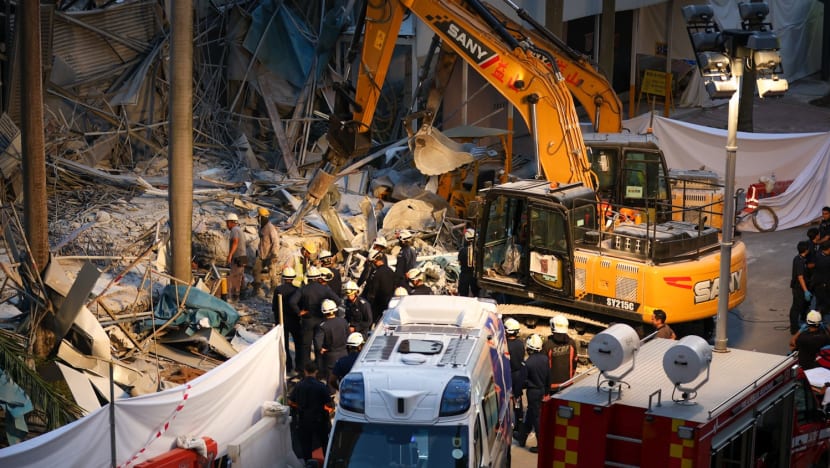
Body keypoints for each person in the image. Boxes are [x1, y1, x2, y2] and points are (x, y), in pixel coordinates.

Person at [294, 266, 340, 368]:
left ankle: (304, 370)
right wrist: (328, 311)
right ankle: (320, 369)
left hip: (307, 320)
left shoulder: (303, 289)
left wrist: (299, 312)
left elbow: (292, 302)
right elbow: (338, 301)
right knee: (319, 345)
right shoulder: (325, 289)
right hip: (321, 320)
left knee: (305, 346)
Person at [289, 362, 333, 462]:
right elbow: (328, 403)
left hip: (304, 419)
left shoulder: (299, 385)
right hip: (319, 419)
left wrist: (299, 406)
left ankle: (308, 463)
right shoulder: (321, 386)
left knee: (306, 444)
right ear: (316, 371)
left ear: (305, 371)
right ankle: (326, 462)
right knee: (324, 442)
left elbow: (291, 401)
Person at [514, 334, 549, 453]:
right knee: (530, 414)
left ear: (529, 349)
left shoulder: (528, 363)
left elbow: (521, 380)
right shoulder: (545, 359)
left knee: (536, 418)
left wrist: (516, 393)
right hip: (542, 390)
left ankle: (541, 445)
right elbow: (549, 376)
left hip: (532, 393)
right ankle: (522, 437)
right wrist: (547, 391)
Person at [273, 267, 302, 374]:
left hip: (282, 320)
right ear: (293, 278)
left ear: (283, 278)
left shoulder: (278, 290)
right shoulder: (297, 290)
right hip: (295, 320)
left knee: (284, 344)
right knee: (298, 343)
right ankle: (299, 365)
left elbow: (274, 307)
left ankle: (287, 366)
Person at [315, 299, 350, 381]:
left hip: (330, 355)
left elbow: (318, 341)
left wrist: (320, 349)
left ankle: (331, 393)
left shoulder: (323, 326)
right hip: (344, 352)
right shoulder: (343, 321)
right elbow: (349, 336)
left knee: (331, 377)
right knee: (344, 375)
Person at [543, 315, 578, 393]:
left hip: (551, 386)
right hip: (567, 383)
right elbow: (575, 362)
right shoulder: (571, 343)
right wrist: (570, 377)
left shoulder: (547, 345)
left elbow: (543, 368)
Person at [361, 251, 396, 325]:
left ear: (375, 261)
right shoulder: (390, 271)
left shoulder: (377, 273)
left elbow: (373, 291)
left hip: (378, 305)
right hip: (389, 303)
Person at [251, 207, 280, 298]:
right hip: (262, 254)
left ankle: (273, 290)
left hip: (270, 255)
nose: (257, 219)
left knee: (272, 274)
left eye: (258, 217)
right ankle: (256, 290)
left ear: (261, 217)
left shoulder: (270, 228)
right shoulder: (262, 227)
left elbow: (276, 241)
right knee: (256, 270)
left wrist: (274, 254)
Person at [504, 318, 526, 432]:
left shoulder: (506, 345)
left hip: (509, 374)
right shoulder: (520, 343)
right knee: (517, 400)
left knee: (505, 399)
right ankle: (519, 421)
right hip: (518, 375)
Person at [225, 213, 248, 302]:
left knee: (235, 276)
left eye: (227, 223)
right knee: (241, 276)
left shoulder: (234, 230)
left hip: (238, 256)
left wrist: (230, 255)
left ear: (231, 222)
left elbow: (235, 241)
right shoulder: (239, 229)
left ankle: (235, 297)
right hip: (243, 256)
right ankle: (243, 294)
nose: (227, 225)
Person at [791, 241, 813, 334]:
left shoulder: (800, 258)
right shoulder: (800, 261)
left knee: (804, 305)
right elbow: (800, 277)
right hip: (798, 288)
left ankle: (803, 318)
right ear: (806, 250)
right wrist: (805, 291)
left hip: (802, 287)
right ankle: (794, 328)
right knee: (796, 307)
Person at [457, 228, 480, 297]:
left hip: (465, 275)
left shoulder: (462, 251)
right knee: (476, 293)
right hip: (474, 275)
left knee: (463, 295)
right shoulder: (477, 251)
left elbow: (460, 262)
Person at [812, 242, 830, 314]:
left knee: (819, 303)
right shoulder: (827, 260)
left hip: (817, 283)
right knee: (824, 304)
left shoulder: (818, 255)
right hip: (823, 285)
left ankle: (817, 320)